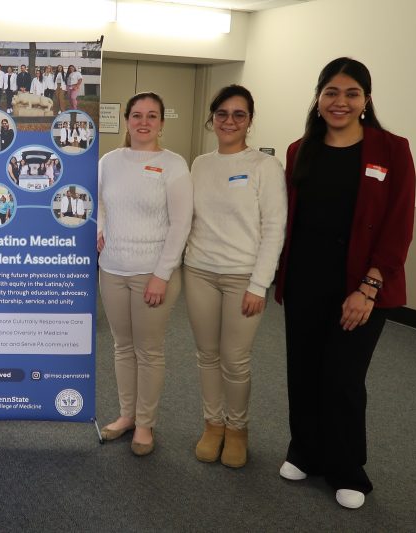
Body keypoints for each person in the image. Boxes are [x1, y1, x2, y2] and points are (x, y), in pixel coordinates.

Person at [274, 57, 415, 509]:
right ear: (318, 100)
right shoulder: (300, 150)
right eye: (331, 92)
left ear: (366, 101)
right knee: (304, 370)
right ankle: (305, 450)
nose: (340, 102)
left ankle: (347, 466)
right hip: (304, 283)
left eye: (351, 93)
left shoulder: (392, 150)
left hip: (361, 290)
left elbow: (397, 228)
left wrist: (369, 287)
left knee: (343, 378)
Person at [183, 85, 287, 468]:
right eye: (222, 114)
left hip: (244, 277)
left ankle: (238, 429)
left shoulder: (264, 166)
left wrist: (260, 283)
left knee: (235, 359)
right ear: (212, 119)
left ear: (249, 121)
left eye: (238, 115)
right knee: (207, 355)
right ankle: (213, 425)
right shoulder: (200, 163)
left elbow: (275, 227)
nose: (229, 121)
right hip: (199, 271)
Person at [97, 92, 192, 456]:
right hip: (113, 270)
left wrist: (162, 274)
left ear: (162, 123)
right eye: (136, 115)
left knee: (148, 350)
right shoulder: (109, 161)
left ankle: (146, 424)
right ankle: (126, 416)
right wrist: (99, 230)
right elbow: (99, 203)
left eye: (152, 116)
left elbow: (181, 223)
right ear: (126, 120)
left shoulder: (173, 164)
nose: (143, 122)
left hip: (153, 273)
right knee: (122, 347)